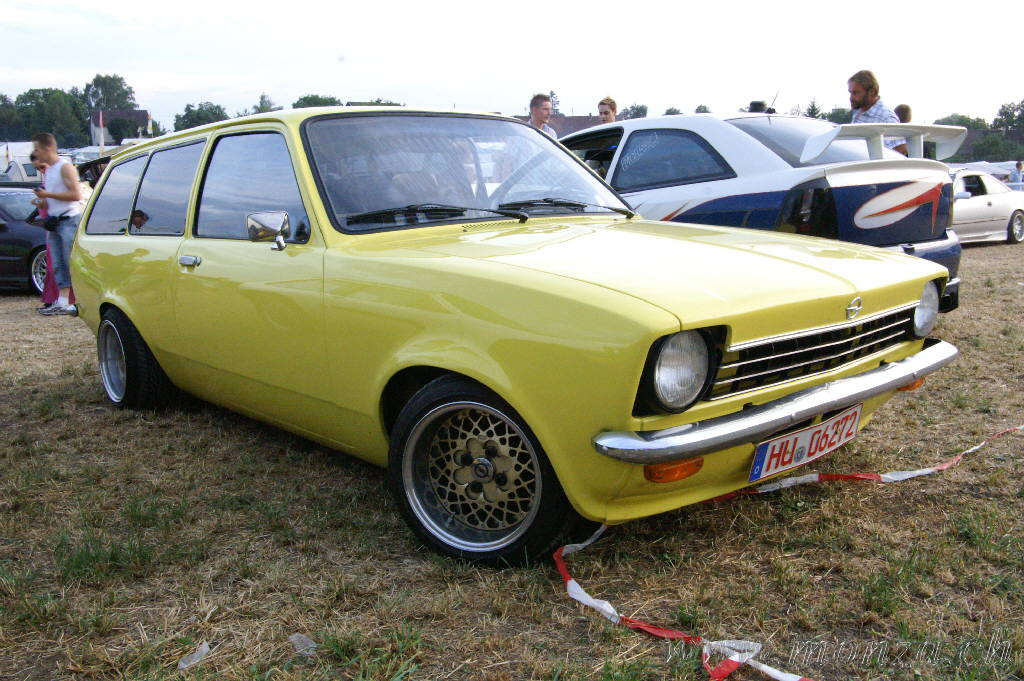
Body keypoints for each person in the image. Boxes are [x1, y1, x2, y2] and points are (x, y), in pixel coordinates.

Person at [31, 132, 82, 316]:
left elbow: (76, 195)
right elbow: (52, 200)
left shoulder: (65, 167)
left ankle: (79, 300)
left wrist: (47, 195)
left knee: (71, 263)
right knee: (58, 264)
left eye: (37, 149)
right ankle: (62, 302)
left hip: (69, 220)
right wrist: (42, 202)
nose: (35, 153)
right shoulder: (50, 171)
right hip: (54, 222)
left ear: (47, 148)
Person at [848, 70, 907, 155]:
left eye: (856, 93)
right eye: (850, 92)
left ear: (872, 92)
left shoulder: (886, 117)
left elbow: (901, 149)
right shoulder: (858, 109)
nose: (851, 97)